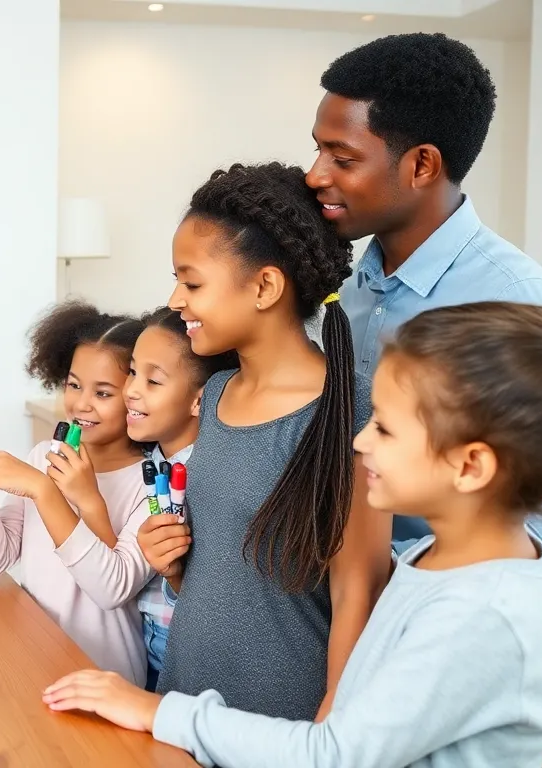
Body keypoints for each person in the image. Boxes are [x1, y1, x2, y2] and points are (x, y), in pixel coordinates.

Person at [44, 301, 542, 767]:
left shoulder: (484, 615)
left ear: (471, 466)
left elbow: (333, 754)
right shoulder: (426, 561)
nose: (359, 440)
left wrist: (155, 710)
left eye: (384, 428)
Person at [306, 32, 542, 575]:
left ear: (422, 166)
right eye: (318, 149)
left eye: (341, 157)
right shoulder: (344, 286)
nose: (315, 175)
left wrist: (393, 567)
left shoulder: (517, 301)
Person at [134, 162, 390, 722]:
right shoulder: (218, 391)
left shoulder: (351, 409)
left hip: (284, 717)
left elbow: (358, 590)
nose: (176, 300)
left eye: (192, 281)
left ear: (266, 286)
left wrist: (333, 718)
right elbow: (226, 561)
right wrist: (174, 565)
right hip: (184, 698)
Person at [0, 301, 155, 685]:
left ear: (135, 396)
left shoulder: (150, 485)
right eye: (74, 385)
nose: (81, 403)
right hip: (35, 658)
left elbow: (110, 589)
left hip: (105, 675)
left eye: (103, 393)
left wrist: (45, 491)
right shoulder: (42, 458)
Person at [124, 307, 234, 692]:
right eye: (132, 372)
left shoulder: (206, 473)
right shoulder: (154, 459)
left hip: (184, 644)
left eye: (153, 381)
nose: (131, 390)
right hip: (146, 633)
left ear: (199, 401)